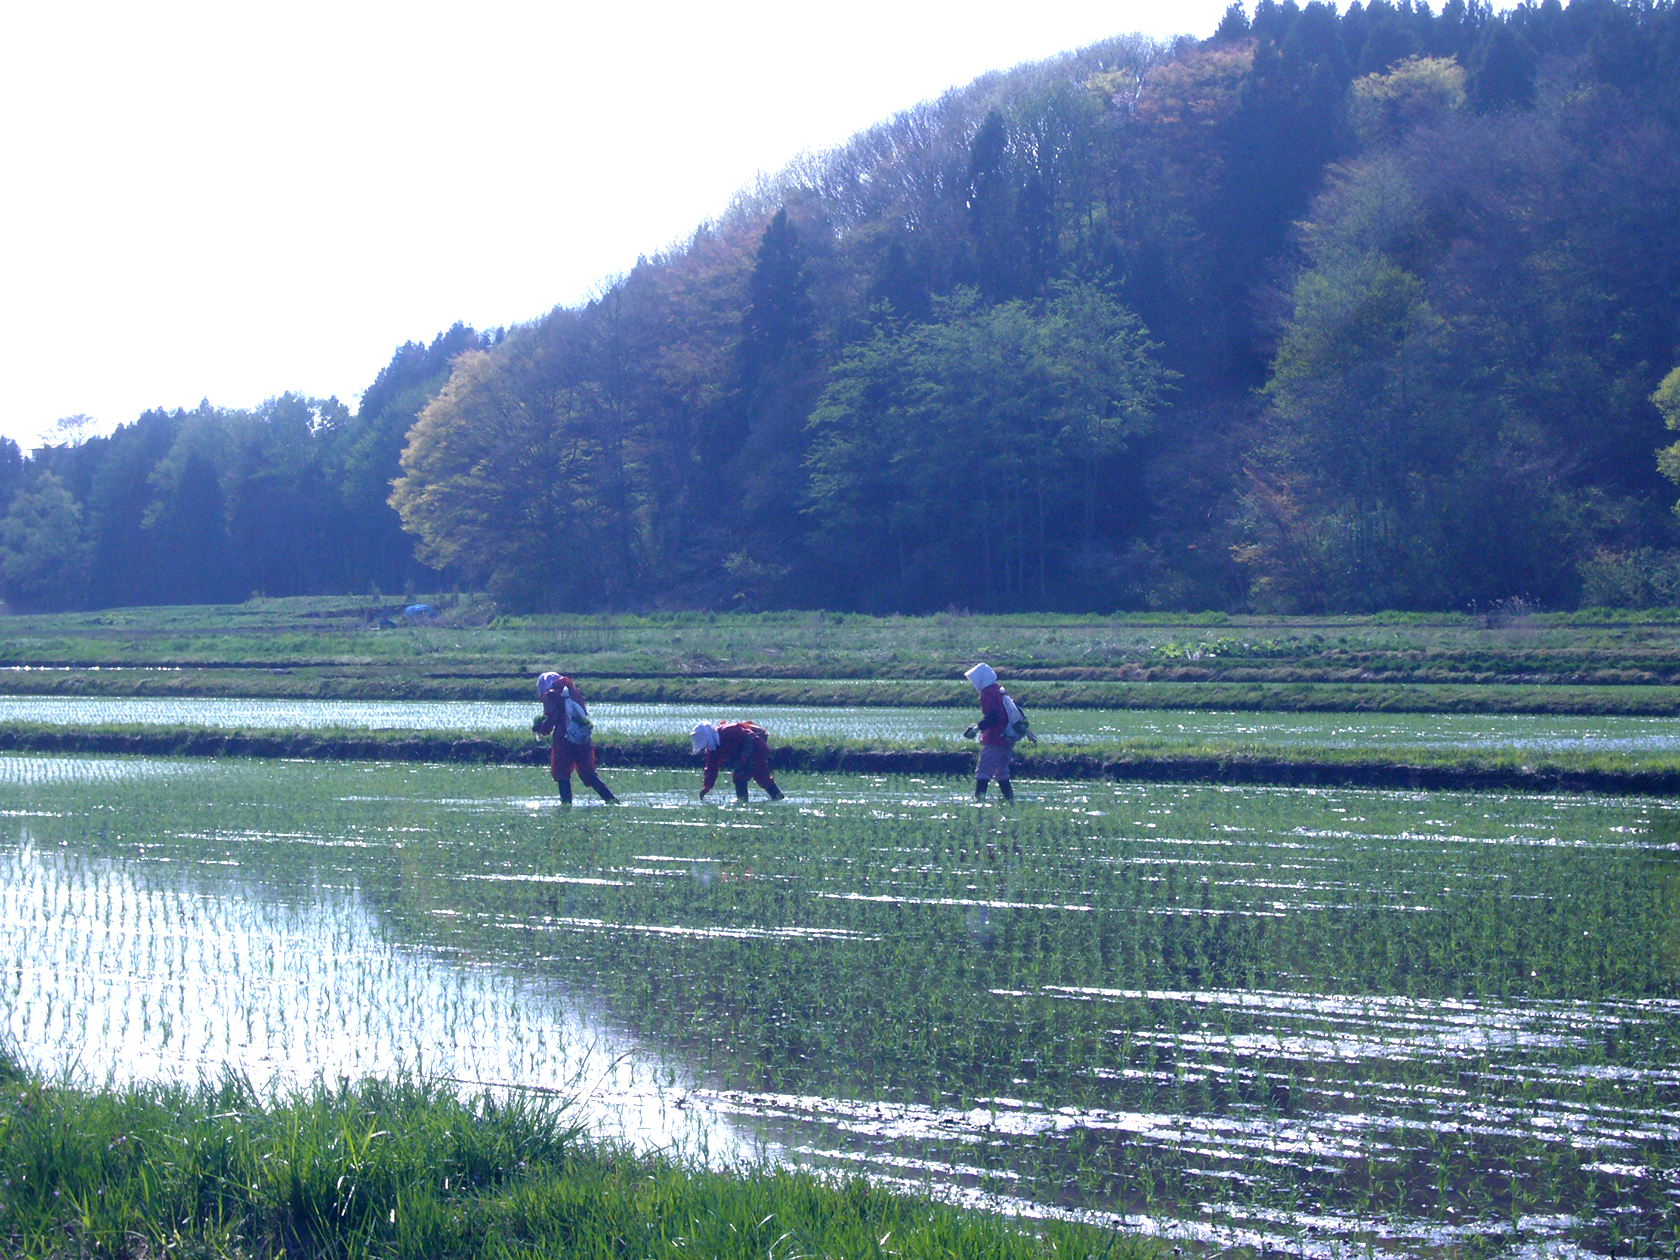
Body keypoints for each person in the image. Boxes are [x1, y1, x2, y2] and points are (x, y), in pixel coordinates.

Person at [532, 672, 618, 804]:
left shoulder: (551, 695)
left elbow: (551, 718)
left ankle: (566, 805)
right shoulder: (573, 692)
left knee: (561, 773)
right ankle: (611, 800)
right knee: (588, 773)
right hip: (581, 737)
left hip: (564, 739)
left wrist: (541, 729)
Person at [962, 662, 1032, 801]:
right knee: (1001, 771)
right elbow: (1014, 709)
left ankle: (979, 801)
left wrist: (977, 728)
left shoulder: (988, 693)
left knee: (983, 771)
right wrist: (1027, 731)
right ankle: (1010, 800)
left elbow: (993, 716)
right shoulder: (999, 689)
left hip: (995, 737)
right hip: (1006, 738)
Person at [691, 720, 785, 802]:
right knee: (760, 777)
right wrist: (707, 786)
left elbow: (750, 737)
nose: (706, 747)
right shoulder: (713, 750)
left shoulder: (728, 731)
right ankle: (778, 798)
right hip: (746, 755)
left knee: (742, 777)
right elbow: (711, 767)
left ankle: (742, 802)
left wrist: (744, 756)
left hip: (756, 750)